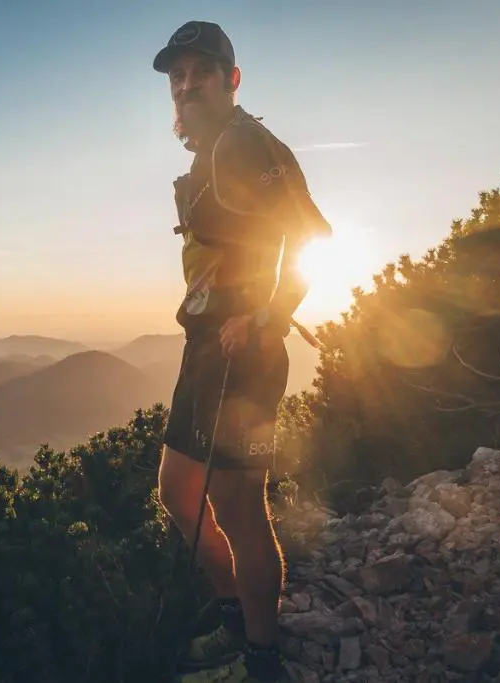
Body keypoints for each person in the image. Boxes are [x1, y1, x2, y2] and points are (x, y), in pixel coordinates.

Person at [152, 20, 332, 683]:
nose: (186, 84)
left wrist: (265, 315)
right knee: (177, 489)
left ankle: (260, 656)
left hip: (243, 349)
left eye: (200, 72)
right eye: (177, 78)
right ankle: (235, 617)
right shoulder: (218, 148)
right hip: (208, 343)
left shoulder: (244, 144)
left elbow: (308, 236)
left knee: (237, 508)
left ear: (231, 79)